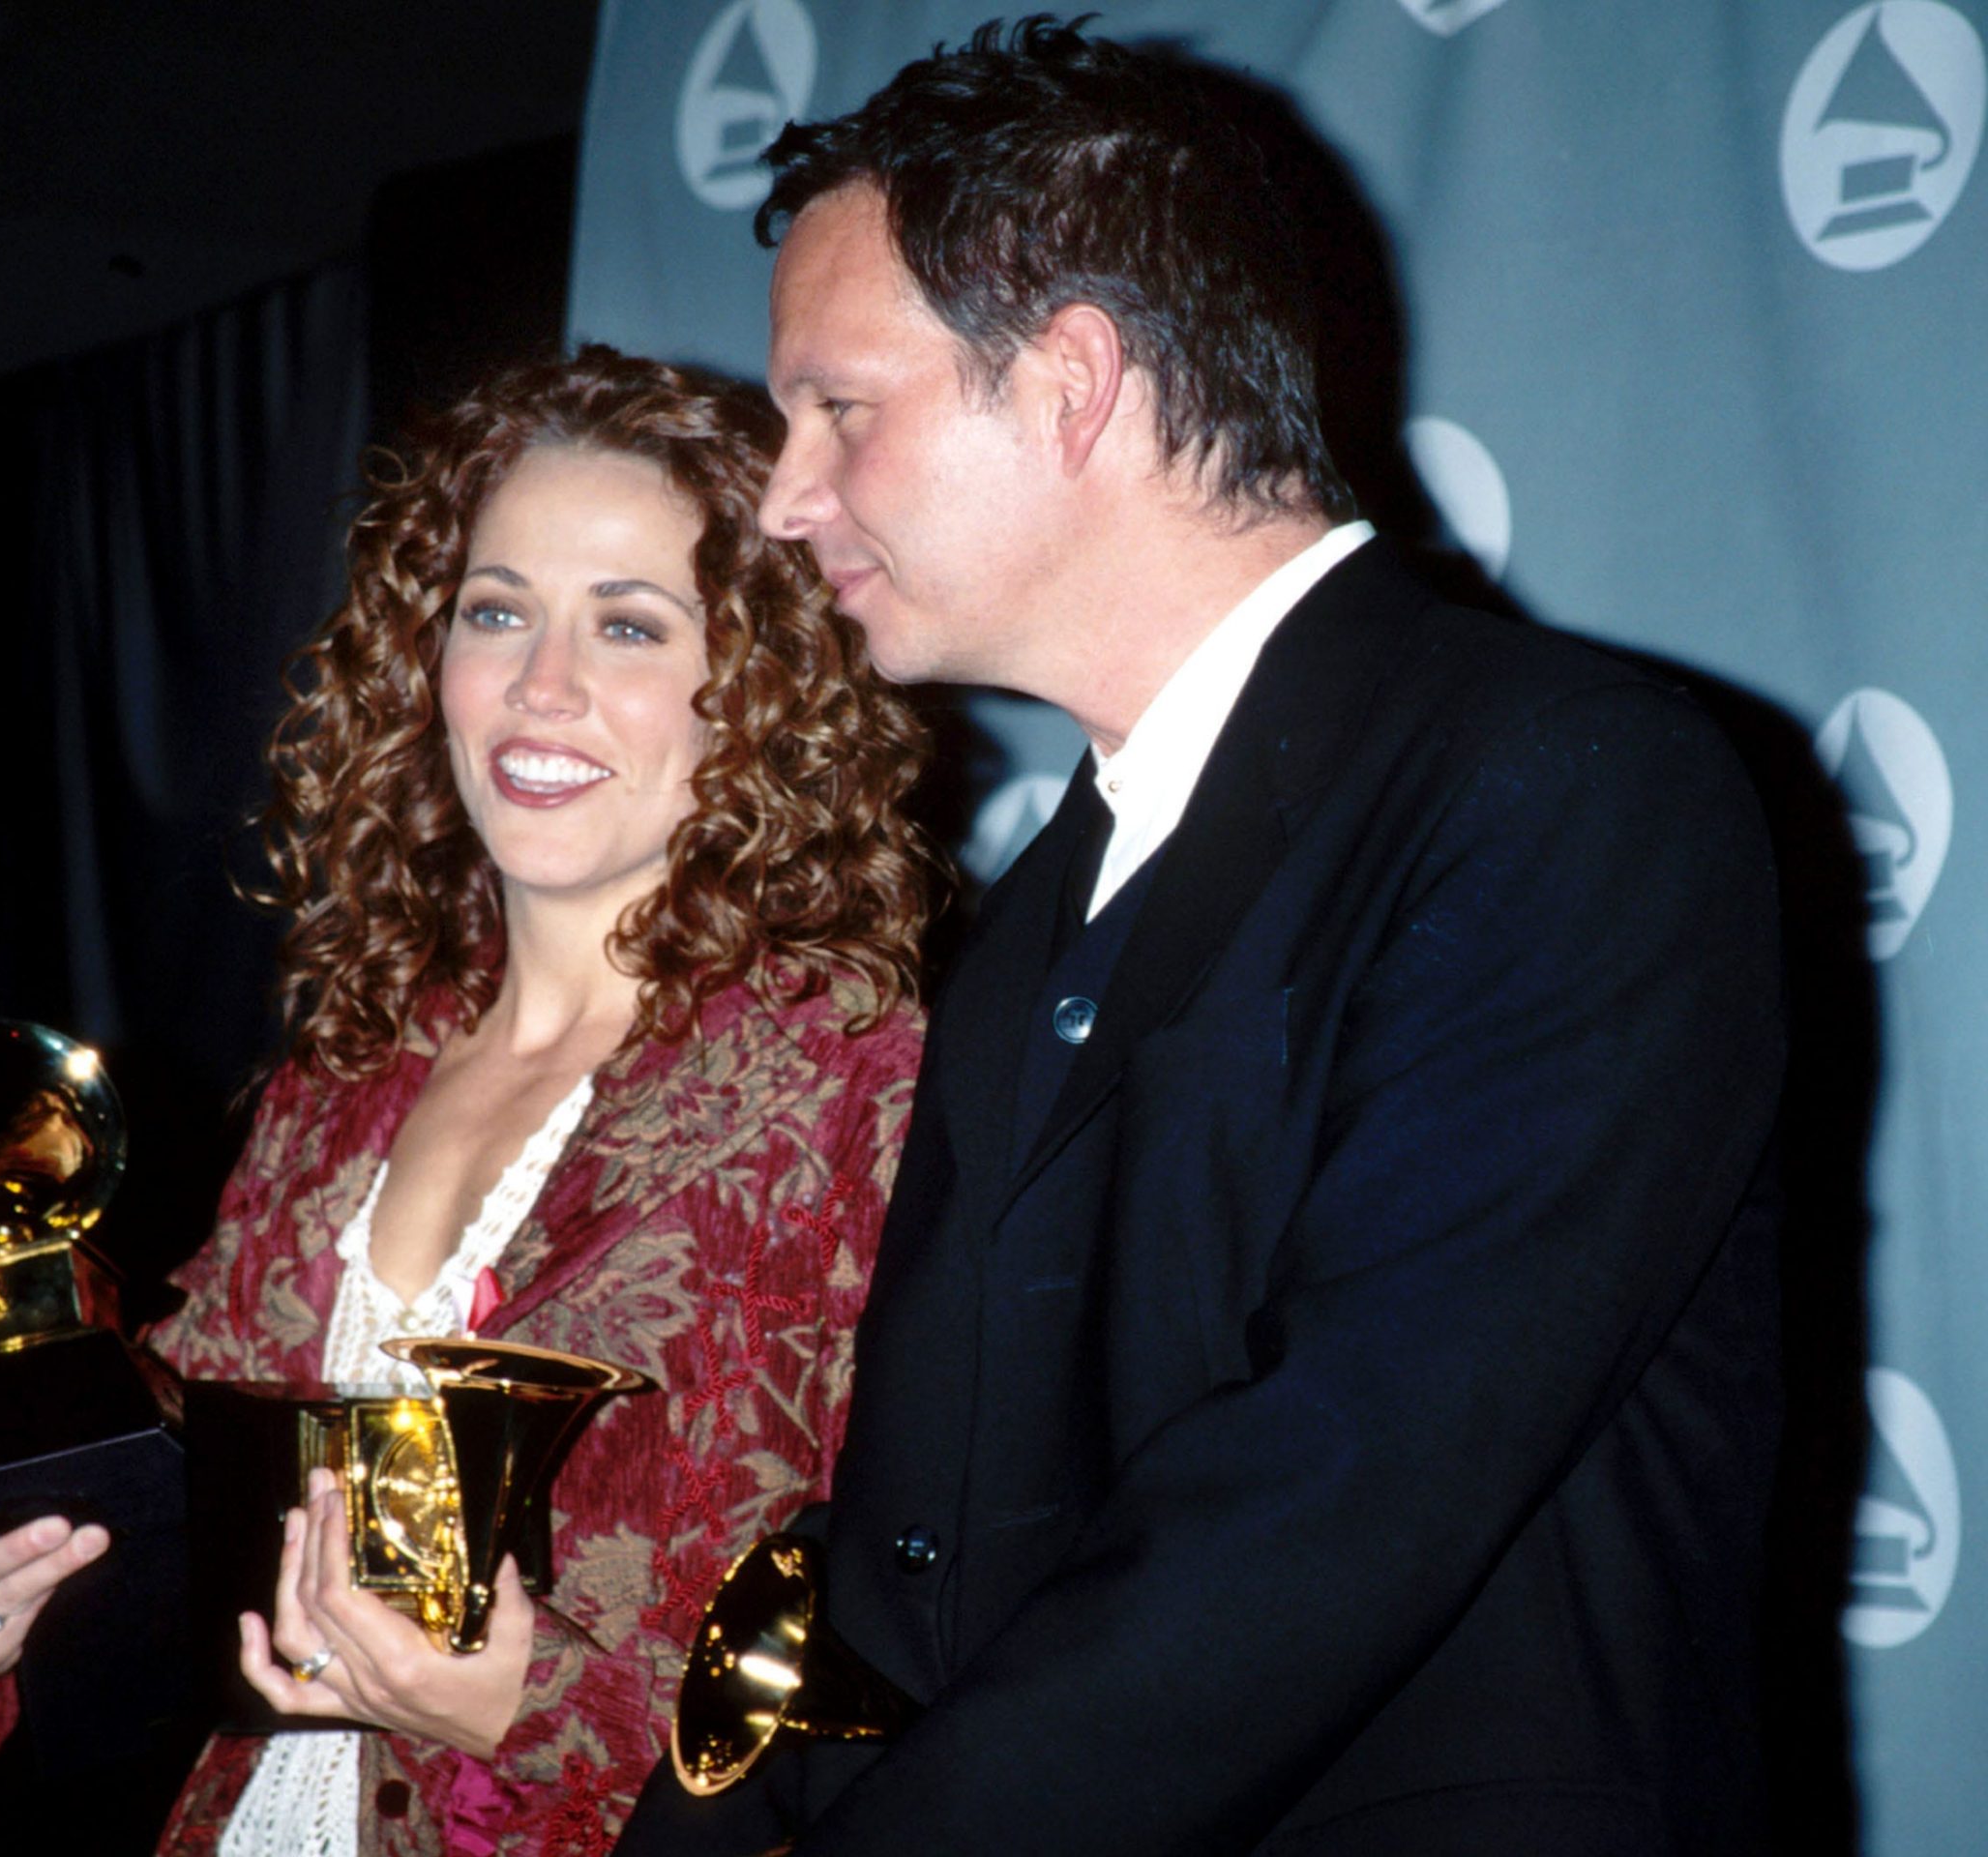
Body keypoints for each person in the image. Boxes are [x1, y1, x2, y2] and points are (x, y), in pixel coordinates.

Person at [617, 20, 1786, 1857]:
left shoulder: (1567, 784)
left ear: (1075, 381)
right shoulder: (1031, 914)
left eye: (839, 406)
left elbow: (1344, 1487)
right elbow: (921, 1537)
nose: (782, 495)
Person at [0, 346, 938, 1856]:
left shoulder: (847, 1081)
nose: (542, 686)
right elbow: (186, 1533)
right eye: (496, 609)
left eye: (633, 625)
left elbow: (916, 1621)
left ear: (765, 687)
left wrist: (530, 1706)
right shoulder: (354, 1072)